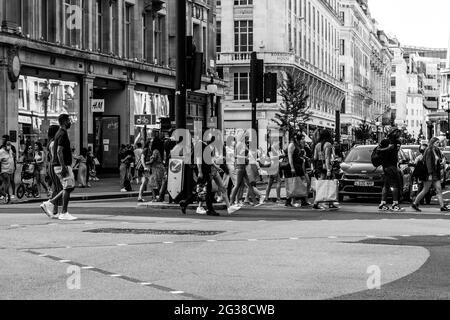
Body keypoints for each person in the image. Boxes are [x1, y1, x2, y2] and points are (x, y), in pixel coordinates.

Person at [40, 114, 78, 221]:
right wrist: (63, 166)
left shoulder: (59, 134)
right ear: (64, 121)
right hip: (62, 165)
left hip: (60, 165)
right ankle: (63, 212)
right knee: (66, 187)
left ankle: (51, 203)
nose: (70, 122)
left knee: (68, 187)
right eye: (69, 120)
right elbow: (59, 151)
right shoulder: (62, 133)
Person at [412, 137, 449, 212]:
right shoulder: (429, 150)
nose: (438, 144)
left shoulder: (437, 150)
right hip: (429, 173)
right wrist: (430, 173)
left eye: (439, 142)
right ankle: (415, 203)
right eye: (437, 142)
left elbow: (438, 160)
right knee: (425, 189)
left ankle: (442, 206)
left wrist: (441, 163)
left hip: (435, 173)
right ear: (433, 142)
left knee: (439, 189)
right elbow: (428, 163)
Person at [377, 128, 405, 212]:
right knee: (395, 185)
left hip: (385, 166)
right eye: (399, 134)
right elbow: (394, 151)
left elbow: (378, 150)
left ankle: (382, 204)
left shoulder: (384, 141)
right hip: (391, 166)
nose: (399, 136)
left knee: (386, 185)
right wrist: (388, 148)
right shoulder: (397, 142)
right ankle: (395, 204)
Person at [313, 129, 339, 210]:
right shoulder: (328, 144)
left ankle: (316, 202)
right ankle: (330, 202)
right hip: (326, 166)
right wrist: (328, 169)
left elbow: (315, 157)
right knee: (331, 182)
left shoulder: (317, 145)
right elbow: (327, 157)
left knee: (321, 183)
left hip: (319, 165)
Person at [285, 133, 310, 207]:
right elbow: (290, 157)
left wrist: (304, 157)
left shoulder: (298, 145)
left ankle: (303, 200)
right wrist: (292, 167)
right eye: (301, 139)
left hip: (299, 166)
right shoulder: (292, 145)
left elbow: (298, 155)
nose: (303, 140)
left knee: (302, 182)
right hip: (293, 166)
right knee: (292, 183)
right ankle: (288, 200)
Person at [46, 125, 63, 217]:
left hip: (51, 165)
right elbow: (56, 155)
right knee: (60, 188)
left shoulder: (51, 142)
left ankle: (55, 210)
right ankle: (50, 205)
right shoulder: (53, 143)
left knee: (57, 187)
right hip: (54, 165)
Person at [1, 135, 16, 200]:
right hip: (4, 170)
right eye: (7, 144)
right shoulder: (1, 151)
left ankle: (9, 195)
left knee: (9, 182)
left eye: (9, 144)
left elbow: (13, 158)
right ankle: (6, 195)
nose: (9, 146)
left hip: (11, 169)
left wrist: (14, 165)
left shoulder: (11, 150)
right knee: (7, 182)